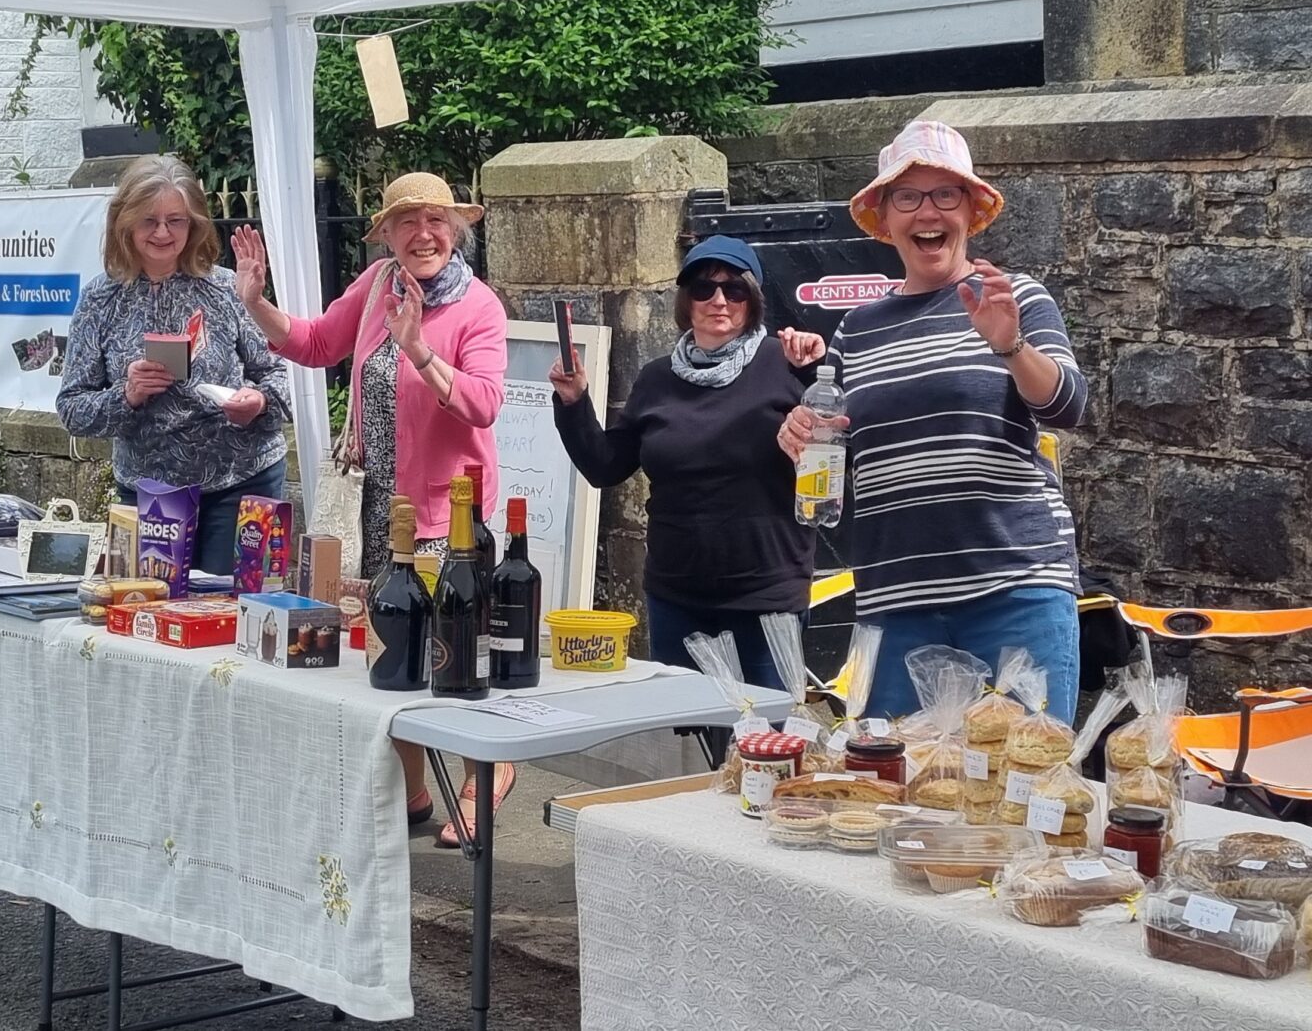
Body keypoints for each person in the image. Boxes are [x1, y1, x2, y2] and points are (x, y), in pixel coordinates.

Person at [233, 171, 511, 847]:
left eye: (436, 221)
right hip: (374, 507)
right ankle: (413, 793)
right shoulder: (377, 285)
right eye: (406, 222)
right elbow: (316, 343)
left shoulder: (479, 308)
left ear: (457, 229)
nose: (423, 234)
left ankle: (488, 770)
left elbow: (483, 403)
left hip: (450, 516)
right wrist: (255, 301)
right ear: (386, 234)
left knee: (454, 656)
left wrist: (417, 347)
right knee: (386, 651)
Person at [778, 121, 1088, 723]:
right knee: (900, 794)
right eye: (908, 196)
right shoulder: (858, 328)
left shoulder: (1014, 296)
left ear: (971, 212)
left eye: (946, 195)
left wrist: (1011, 345)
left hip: (1013, 590)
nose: (929, 211)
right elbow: (832, 442)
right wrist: (800, 434)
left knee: (1019, 789)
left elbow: (1068, 406)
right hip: (896, 604)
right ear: (885, 218)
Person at [549, 236, 826, 689]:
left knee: (765, 745)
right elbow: (605, 466)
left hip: (766, 593)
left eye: (734, 289)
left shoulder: (785, 363)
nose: (719, 300)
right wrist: (574, 401)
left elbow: (838, 447)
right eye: (703, 288)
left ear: (752, 300)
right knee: (688, 744)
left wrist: (814, 373)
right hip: (678, 596)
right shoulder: (657, 379)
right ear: (686, 301)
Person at [57, 156, 291, 575]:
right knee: (149, 615)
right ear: (125, 223)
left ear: (195, 223)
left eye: (176, 220)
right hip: (151, 492)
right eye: (149, 220)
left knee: (234, 617)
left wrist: (257, 402)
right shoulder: (100, 300)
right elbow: (72, 409)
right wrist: (124, 396)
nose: (163, 232)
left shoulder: (227, 289)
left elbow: (283, 377)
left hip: (242, 479)